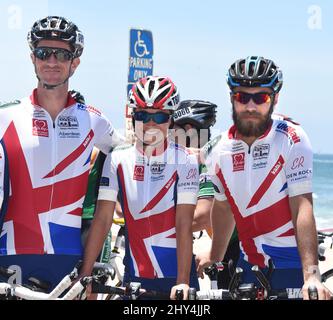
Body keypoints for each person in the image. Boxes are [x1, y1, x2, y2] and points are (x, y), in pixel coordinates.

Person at [0, 16, 124, 291]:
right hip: (10, 254)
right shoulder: (6, 116)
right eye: (44, 53)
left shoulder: (94, 121)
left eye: (62, 54)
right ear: (33, 58)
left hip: (69, 259)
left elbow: (133, 156)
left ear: (75, 62)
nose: (52, 61)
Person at [196, 56, 331, 299]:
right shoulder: (219, 150)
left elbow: (302, 205)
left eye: (261, 97)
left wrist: (311, 274)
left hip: (292, 268)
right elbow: (224, 207)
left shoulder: (291, 137)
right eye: (242, 97)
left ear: (275, 99)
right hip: (248, 268)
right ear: (231, 98)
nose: (250, 106)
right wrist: (215, 255)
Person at [80, 76, 200, 299]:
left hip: (178, 279)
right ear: (132, 116)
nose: (151, 123)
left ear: (171, 120)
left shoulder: (185, 160)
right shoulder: (117, 159)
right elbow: (103, 219)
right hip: (135, 278)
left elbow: (184, 223)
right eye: (142, 115)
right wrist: (85, 273)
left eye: (160, 116)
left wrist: (182, 281)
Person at [172, 100, 240, 289]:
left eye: (172, 128)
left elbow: (203, 216)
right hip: (227, 246)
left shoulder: (208, 161)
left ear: (188, 130)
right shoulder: (199, 155)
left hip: (237, 249)